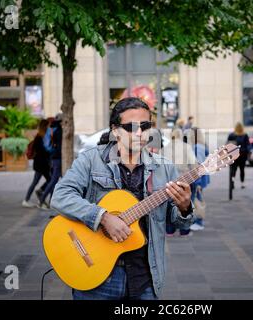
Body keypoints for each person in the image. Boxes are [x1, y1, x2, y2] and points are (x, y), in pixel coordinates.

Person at [50, 97, 195, 300]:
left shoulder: (165, 167)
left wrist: (184, 207)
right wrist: (103, 217)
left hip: (145, 277)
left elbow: (178, 221)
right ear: (115, 130)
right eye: (130, 127)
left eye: (145, 126)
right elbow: (60, 196)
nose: (139, 133)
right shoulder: (91, 159)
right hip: (97, 275)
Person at [161, 128, 198, 237]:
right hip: (184, 179)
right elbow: (193, 163)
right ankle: (184, 231)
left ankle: (169, 230)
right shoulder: (186, 147)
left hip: (168, 180)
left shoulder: (164, 148)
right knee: (186, 203)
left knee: (169, 205)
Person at [22, 119, 51, 208]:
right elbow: (42, 151)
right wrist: (50, 151)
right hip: (41, 164)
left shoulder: (41, 136)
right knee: (50, 180)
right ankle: (34, 196)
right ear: (45, 126)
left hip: (40, 164)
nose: (49, 127)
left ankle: (30, 198)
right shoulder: (40, 137)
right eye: (48, 126)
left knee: (41, 181)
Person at [187, 127, 210, 231]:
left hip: (198, 178)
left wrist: (198, 182)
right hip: (201, 177)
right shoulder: (202, 146)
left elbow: (199, 165)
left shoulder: (196, 147)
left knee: (197, 199)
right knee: (197, 199)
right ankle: (197, 221)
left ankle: (198, 222)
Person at [38, 113, 62, 209]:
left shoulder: (53, 128)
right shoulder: (59, 130)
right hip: (58, 158)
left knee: (54, 180)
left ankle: (51, 201)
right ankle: (42, 199)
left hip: (52, 157)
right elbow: (60, 146)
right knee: (54, 180)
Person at [227, 122, 250, 189]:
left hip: (234, 155)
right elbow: (248, 145)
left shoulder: (231, 135)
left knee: (233, 169)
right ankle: (242, 183)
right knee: (242, 169)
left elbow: (228, 145)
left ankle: (232, 182)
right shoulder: (245, 135)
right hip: (243, 155)